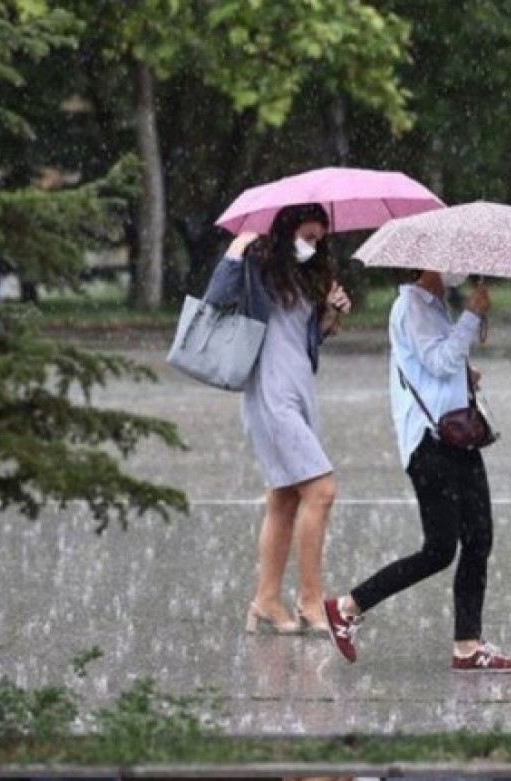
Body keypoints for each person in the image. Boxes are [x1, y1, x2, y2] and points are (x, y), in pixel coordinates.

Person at [322, 269, 511, 673]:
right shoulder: (411, 307)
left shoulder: (434, 307)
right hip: (431, 446)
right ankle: (347, 606)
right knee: (440, 549)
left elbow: (435, 369)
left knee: (478, 539)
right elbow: (439, 361)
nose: (459, 271)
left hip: (458, 437)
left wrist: (467, 372)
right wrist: (471, 317)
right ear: (430, 264)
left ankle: (468, 645)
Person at [203, 203, 352, 635]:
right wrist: (235, 252)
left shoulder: (308, 277)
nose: (313, 245)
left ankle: (266, 599)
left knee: (285, 497)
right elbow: (216, 301)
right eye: (307, 236)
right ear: (286, 232)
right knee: (321, 490)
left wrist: (331, 312)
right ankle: (310, 599)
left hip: (300, 389)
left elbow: (306, 340)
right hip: (270, 393)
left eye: (319, 239)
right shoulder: (257, 268)